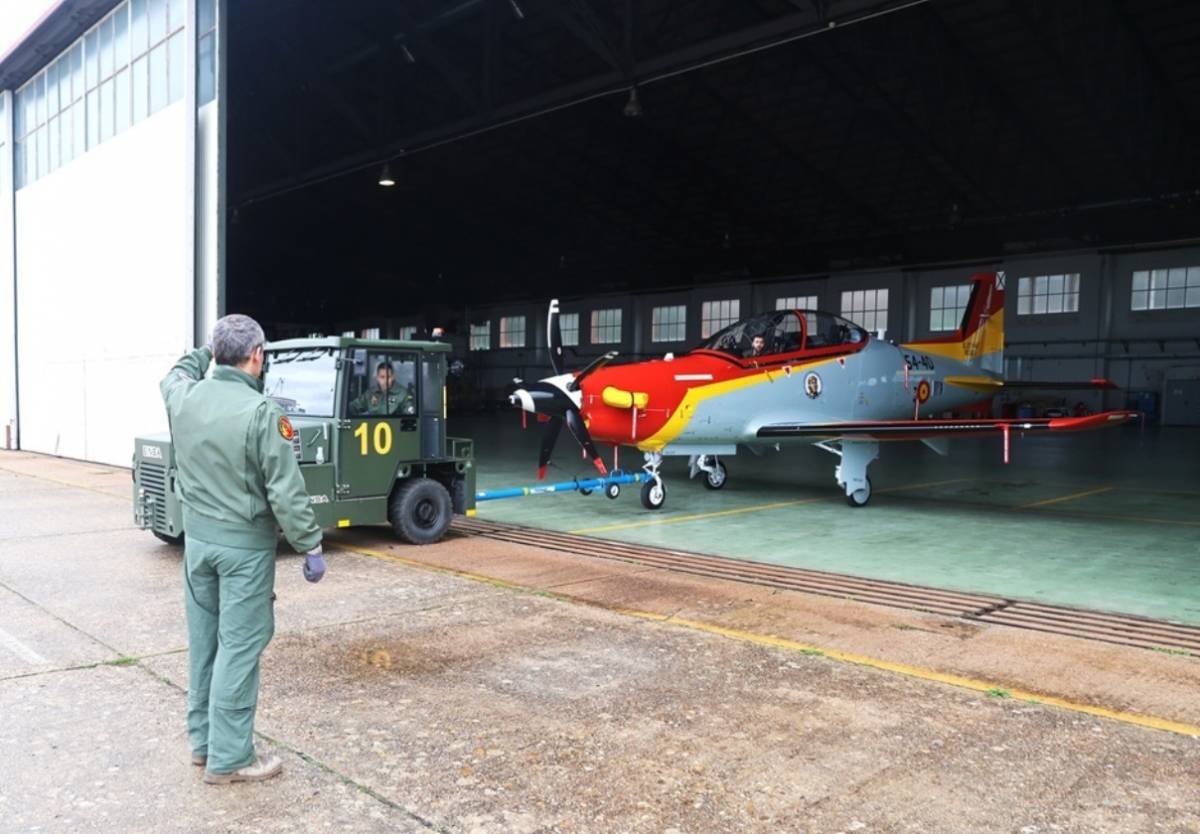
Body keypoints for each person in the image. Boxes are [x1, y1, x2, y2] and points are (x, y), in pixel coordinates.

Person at [160, 314, 326, 785]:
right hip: (243, 552)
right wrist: (310, 544)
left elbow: (173, 374)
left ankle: (203, 744)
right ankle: (230, 759)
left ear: (216, 354)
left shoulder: (184, 397)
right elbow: (286, 491)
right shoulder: (263, 414)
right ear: (257, 355)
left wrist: (205, 352)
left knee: (204, 645)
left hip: (198, 547)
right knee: (239, 647)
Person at [349, 360, 414, 416]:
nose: (385, 380)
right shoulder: (370, 393)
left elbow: (409, 415)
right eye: (382, 377)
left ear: (393, 377)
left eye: (388, 377)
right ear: (377, 378)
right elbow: (353, 407)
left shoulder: (403, 394)